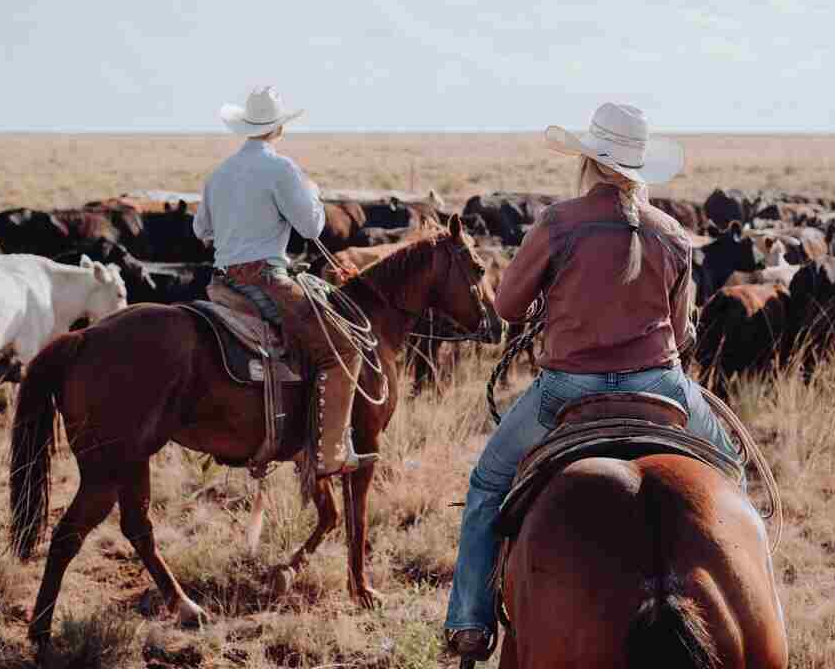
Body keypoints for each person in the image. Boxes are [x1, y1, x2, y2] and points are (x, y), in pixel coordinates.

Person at [443, 102, 741, 660]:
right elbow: (680, 332)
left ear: (590, 161)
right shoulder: (672, 233)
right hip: (663, 386)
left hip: (567, 392)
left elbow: (507, 306)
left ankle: (470, 622)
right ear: (639, 168)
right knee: (734, 471)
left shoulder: (559, 223)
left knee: (487, 485)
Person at [192, 86, 377, 480]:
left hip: (222, 283)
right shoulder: (282, 169)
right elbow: (312, 227)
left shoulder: (219, 173)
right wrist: (310, 193)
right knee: (343, 349)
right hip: (267, 282)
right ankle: (330, 454)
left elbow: (201, 230)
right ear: (278, 128)